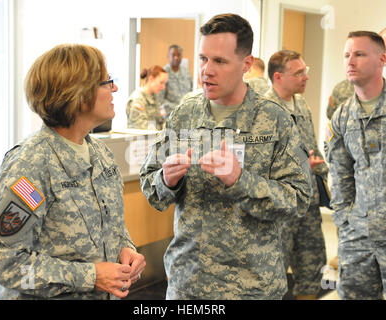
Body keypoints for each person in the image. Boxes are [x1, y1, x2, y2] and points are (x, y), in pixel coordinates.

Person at [139, 13, 312, 300]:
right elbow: (151, 186)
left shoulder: (275, 120)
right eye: (203, 58)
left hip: (252, 287)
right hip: (188, 284)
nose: (206, 70)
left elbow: (299, 200)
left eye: (219, 61)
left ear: (246, 64)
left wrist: (240, 181)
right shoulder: (184, 115)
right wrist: (166, 181)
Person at [0, 44, 146, 300]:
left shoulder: (101, 156)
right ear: (78, 96)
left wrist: (126, 249)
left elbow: (111, 225)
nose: (114, 88)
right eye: (106, 82)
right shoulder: (31, 165)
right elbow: (7, 265)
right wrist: (91, 276)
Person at [326, 31, 386, 300]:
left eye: (359, 54)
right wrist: (344, 220)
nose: (350, 61)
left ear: (381, 59)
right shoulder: (342, 116)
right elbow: (339, 173)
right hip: (357, 237)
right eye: (347, 55)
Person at [265, 50, 328, 300]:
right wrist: (299, 166)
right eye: (299, 72)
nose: (305, 77)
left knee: (312, 265)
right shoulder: (264, 109)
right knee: (275, 271)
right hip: (281, 206)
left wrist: (320, 166)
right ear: (278, 77)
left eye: (306, 70)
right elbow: (259, 163)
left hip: (308, 203)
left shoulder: (301, 103)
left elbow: (311, 143)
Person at [126, 65, 168, 130]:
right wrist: (161, 130)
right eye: (161, 83)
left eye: (165, 83)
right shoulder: (138, 99)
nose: (163, 87)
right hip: (140, 139)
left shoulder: (156, 99)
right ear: (151, 79)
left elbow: (164, 119)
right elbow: (140, 126)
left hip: (156, 138)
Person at [158, 45, 193, 118]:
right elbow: (160, 100)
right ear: (168, 56)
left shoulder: (186, 71)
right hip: (170, 115)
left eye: (178, 55)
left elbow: (191, 91)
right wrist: (177, 107)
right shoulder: (163, 73)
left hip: (187, 113)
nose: (176, 57)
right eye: (173, 55)